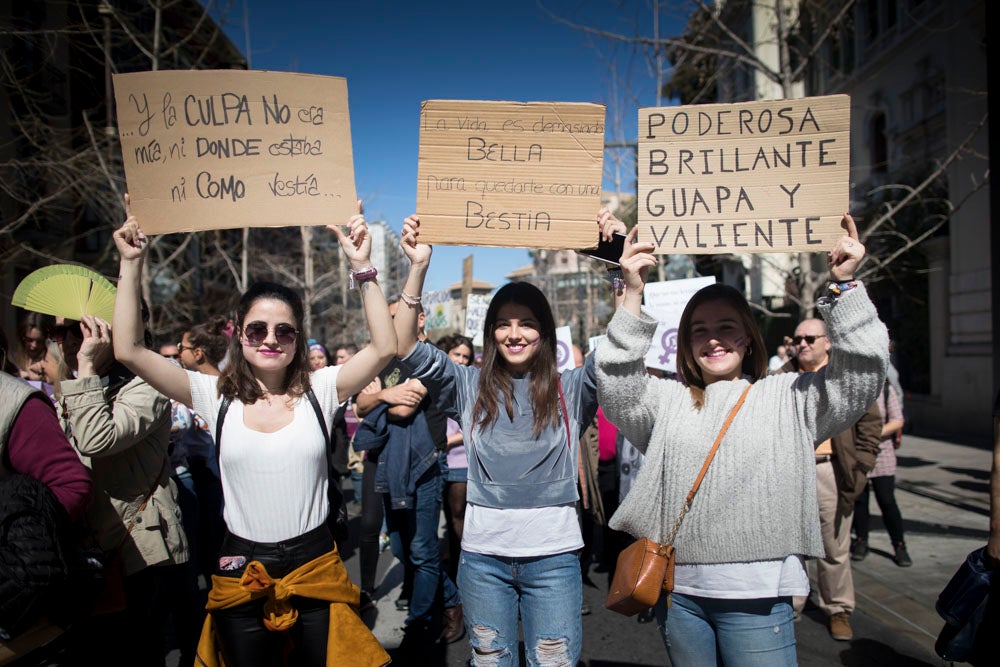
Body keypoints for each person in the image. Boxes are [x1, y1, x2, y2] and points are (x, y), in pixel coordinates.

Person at [595, 214, 889, 664]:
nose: (713, 340)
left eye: (726, 327)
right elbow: (617, 386)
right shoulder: (668, 400)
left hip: (758, 601)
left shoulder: (790, 396)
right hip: (679, 598)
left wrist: (845, 285)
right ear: (685, 344)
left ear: (749, 339)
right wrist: (631, 293)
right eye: (699, 331)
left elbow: (862, 375)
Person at [112, 196, 392, 667]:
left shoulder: (321, 389)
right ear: (238, 334)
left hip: (315, 565)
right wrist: (131, 263)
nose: (270, 339)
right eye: (257, 328)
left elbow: (384, 347)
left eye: (284, 331)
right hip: (240, 570)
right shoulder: (212, 395)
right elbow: (128, 349)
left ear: (298, 339)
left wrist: (362, 267)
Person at [391, 208, 622, 665]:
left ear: (545, 332)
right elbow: (404, 350)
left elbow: (620, 350)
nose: (514, 334)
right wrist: (417, 267)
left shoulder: (572, 389)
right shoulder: (466, 384)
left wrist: (619, 267)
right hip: (482, 564)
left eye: (527, 323)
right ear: (490, 332)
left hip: (554, 562)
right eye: (503, 323)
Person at [48, 305, 191, 667]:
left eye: (77, 331)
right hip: (89, 545)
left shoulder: (150, 381)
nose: (67, 342)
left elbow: (97, 438)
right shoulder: (78, 382)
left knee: (138, 651)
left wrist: (86, 369)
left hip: (139, 545)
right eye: (61, 332)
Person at [355, 301, 463, 653]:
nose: (391, 324)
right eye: (387, 318)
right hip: (389, 463)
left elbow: (403, 408)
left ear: (419, 319)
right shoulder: (383, 359)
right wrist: (383, 394)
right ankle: (451, 597)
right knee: (402, 547)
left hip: (424, 465)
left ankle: (421, 625)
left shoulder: (427, 358)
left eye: (397, 317)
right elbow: (358, 405)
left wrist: (377, 395)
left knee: (421, 550)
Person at [776, 318, 882, 641]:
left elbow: (871, 425)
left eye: (810, 338)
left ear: (828, 342)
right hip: (790, 470)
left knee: (833, 545)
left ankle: (837, 610)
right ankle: (791, 603)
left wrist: (861, 468)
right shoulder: (779, 379)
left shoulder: (846, 376)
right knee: (788, 542)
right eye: (798, 339)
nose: (803, 344)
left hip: (830, 470)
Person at [851, 377, 912, 568]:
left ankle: (899, 545)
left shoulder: (884, 389)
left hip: (882, 452)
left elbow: (897, 420)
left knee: (886, 500)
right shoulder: (852, 388)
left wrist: (871, 433)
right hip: (857, 453)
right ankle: (861, 541)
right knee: (859, 501)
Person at [435, 334, 475, 584]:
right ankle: (455, 568)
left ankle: (468, 570)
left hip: (462, 461)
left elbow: (474, 426)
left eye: (466, 357)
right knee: (449, 519)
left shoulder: (471, 385)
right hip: (439, 462)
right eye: (456, 354)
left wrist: (446, 441)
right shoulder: (435, 383)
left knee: (460, 516)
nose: (461, 360)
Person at [11, 310, 53, 382]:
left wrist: (43, 378)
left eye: (39, 341)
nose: (34, 345)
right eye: (29, 340)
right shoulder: (12, 360)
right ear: (22, 337)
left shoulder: (50, 363)